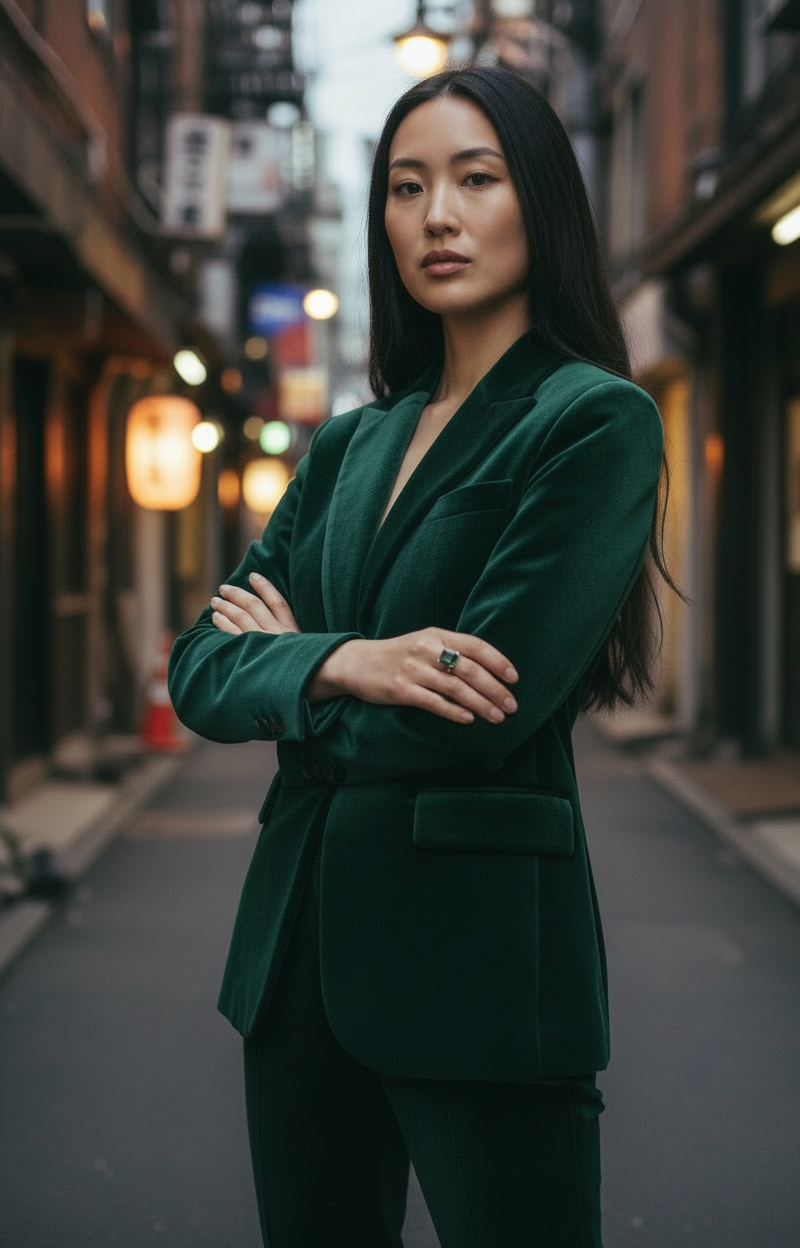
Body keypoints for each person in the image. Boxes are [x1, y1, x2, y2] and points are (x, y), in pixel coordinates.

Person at [169, 64, 672, 1248]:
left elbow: (470, 706)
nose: (435, 215)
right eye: (405, 187)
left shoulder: (591, 419)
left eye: (473, 178)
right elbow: (199, 667)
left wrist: (288, 672)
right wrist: (344, 663)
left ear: (538, 201)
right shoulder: (348, 445)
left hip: (479, 966)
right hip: (296, 968)